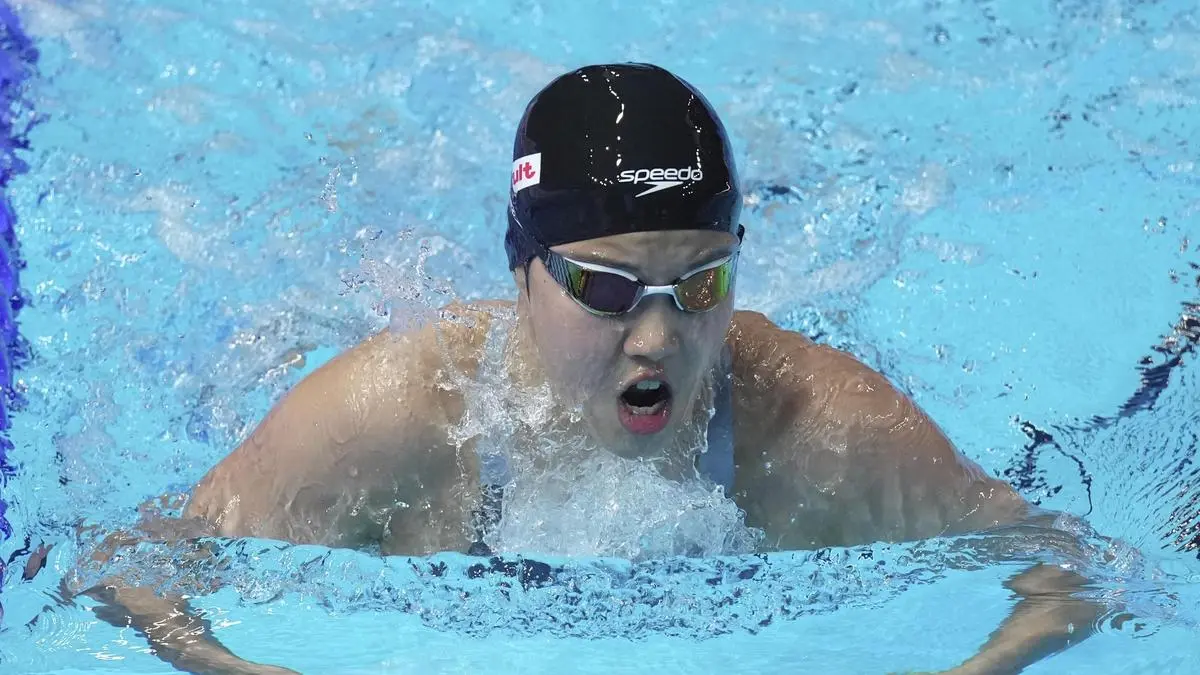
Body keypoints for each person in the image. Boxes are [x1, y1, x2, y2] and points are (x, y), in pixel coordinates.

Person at [76, 63, 1106, 674]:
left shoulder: (819, 426)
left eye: (702, 283)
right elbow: (130, 562)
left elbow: (1070, 568)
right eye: (607, 290)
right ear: (522, 270)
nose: (657, 338)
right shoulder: (394, 413)